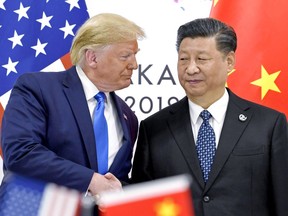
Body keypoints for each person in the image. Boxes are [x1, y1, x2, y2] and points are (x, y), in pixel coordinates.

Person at [131, 18, 288, 216]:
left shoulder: (268, 125)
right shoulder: (154, 128)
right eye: (183, 59)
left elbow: (283, 201)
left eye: (202, 59)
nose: (191, 69)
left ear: (229, 61)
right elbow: (141, 202)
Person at [1, 13, 145, 200]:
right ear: (92, 58)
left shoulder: (128, 117)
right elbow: (21, 153)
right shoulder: (37, 88)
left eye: (135, 55)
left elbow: (115, 181)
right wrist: (89, 180)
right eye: (125, 56)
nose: (134, 65)